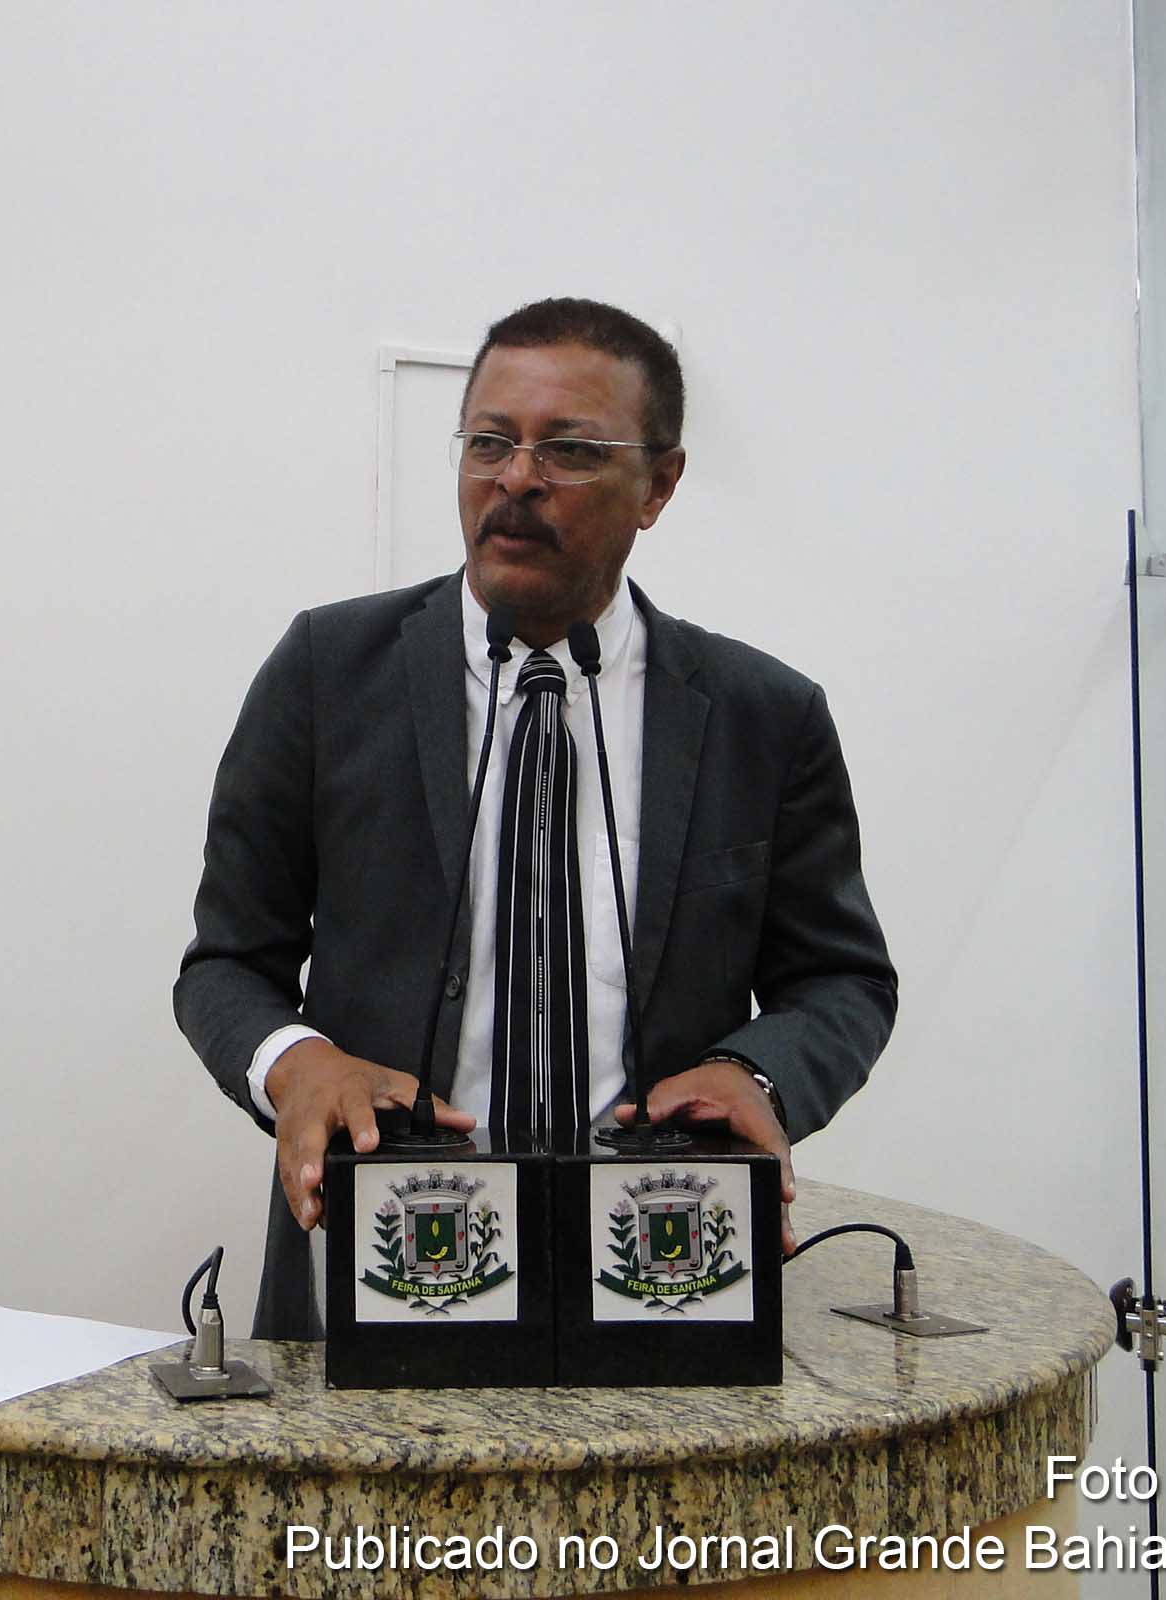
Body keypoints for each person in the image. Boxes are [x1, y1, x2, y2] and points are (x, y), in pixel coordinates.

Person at [175, 297, 896, 1340]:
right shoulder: (328, 675)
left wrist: (756, 1074)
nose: (517, 478)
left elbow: (841, 980)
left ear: (660, 485)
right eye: (489, 443)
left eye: (570, 450)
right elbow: (226, 964)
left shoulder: (763, 716)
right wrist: (298, 1062)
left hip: (662, 1274)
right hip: (387, 1266)